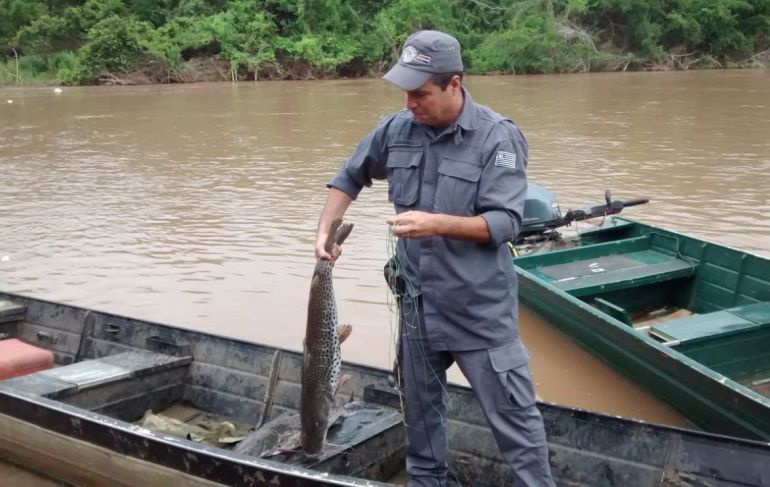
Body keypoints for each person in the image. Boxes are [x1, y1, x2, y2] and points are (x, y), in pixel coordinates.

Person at [314, 30, 554, 486]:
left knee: (516, 424)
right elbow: (349, 176)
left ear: (454, 84)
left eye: (421, 93)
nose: (411, 104)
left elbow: (505, 224)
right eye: (406, 93)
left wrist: (437, 223)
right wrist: (324, 230)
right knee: (421, 427)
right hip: (417, 309)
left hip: (478, 311)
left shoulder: (497, 139)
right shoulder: (396, 130)